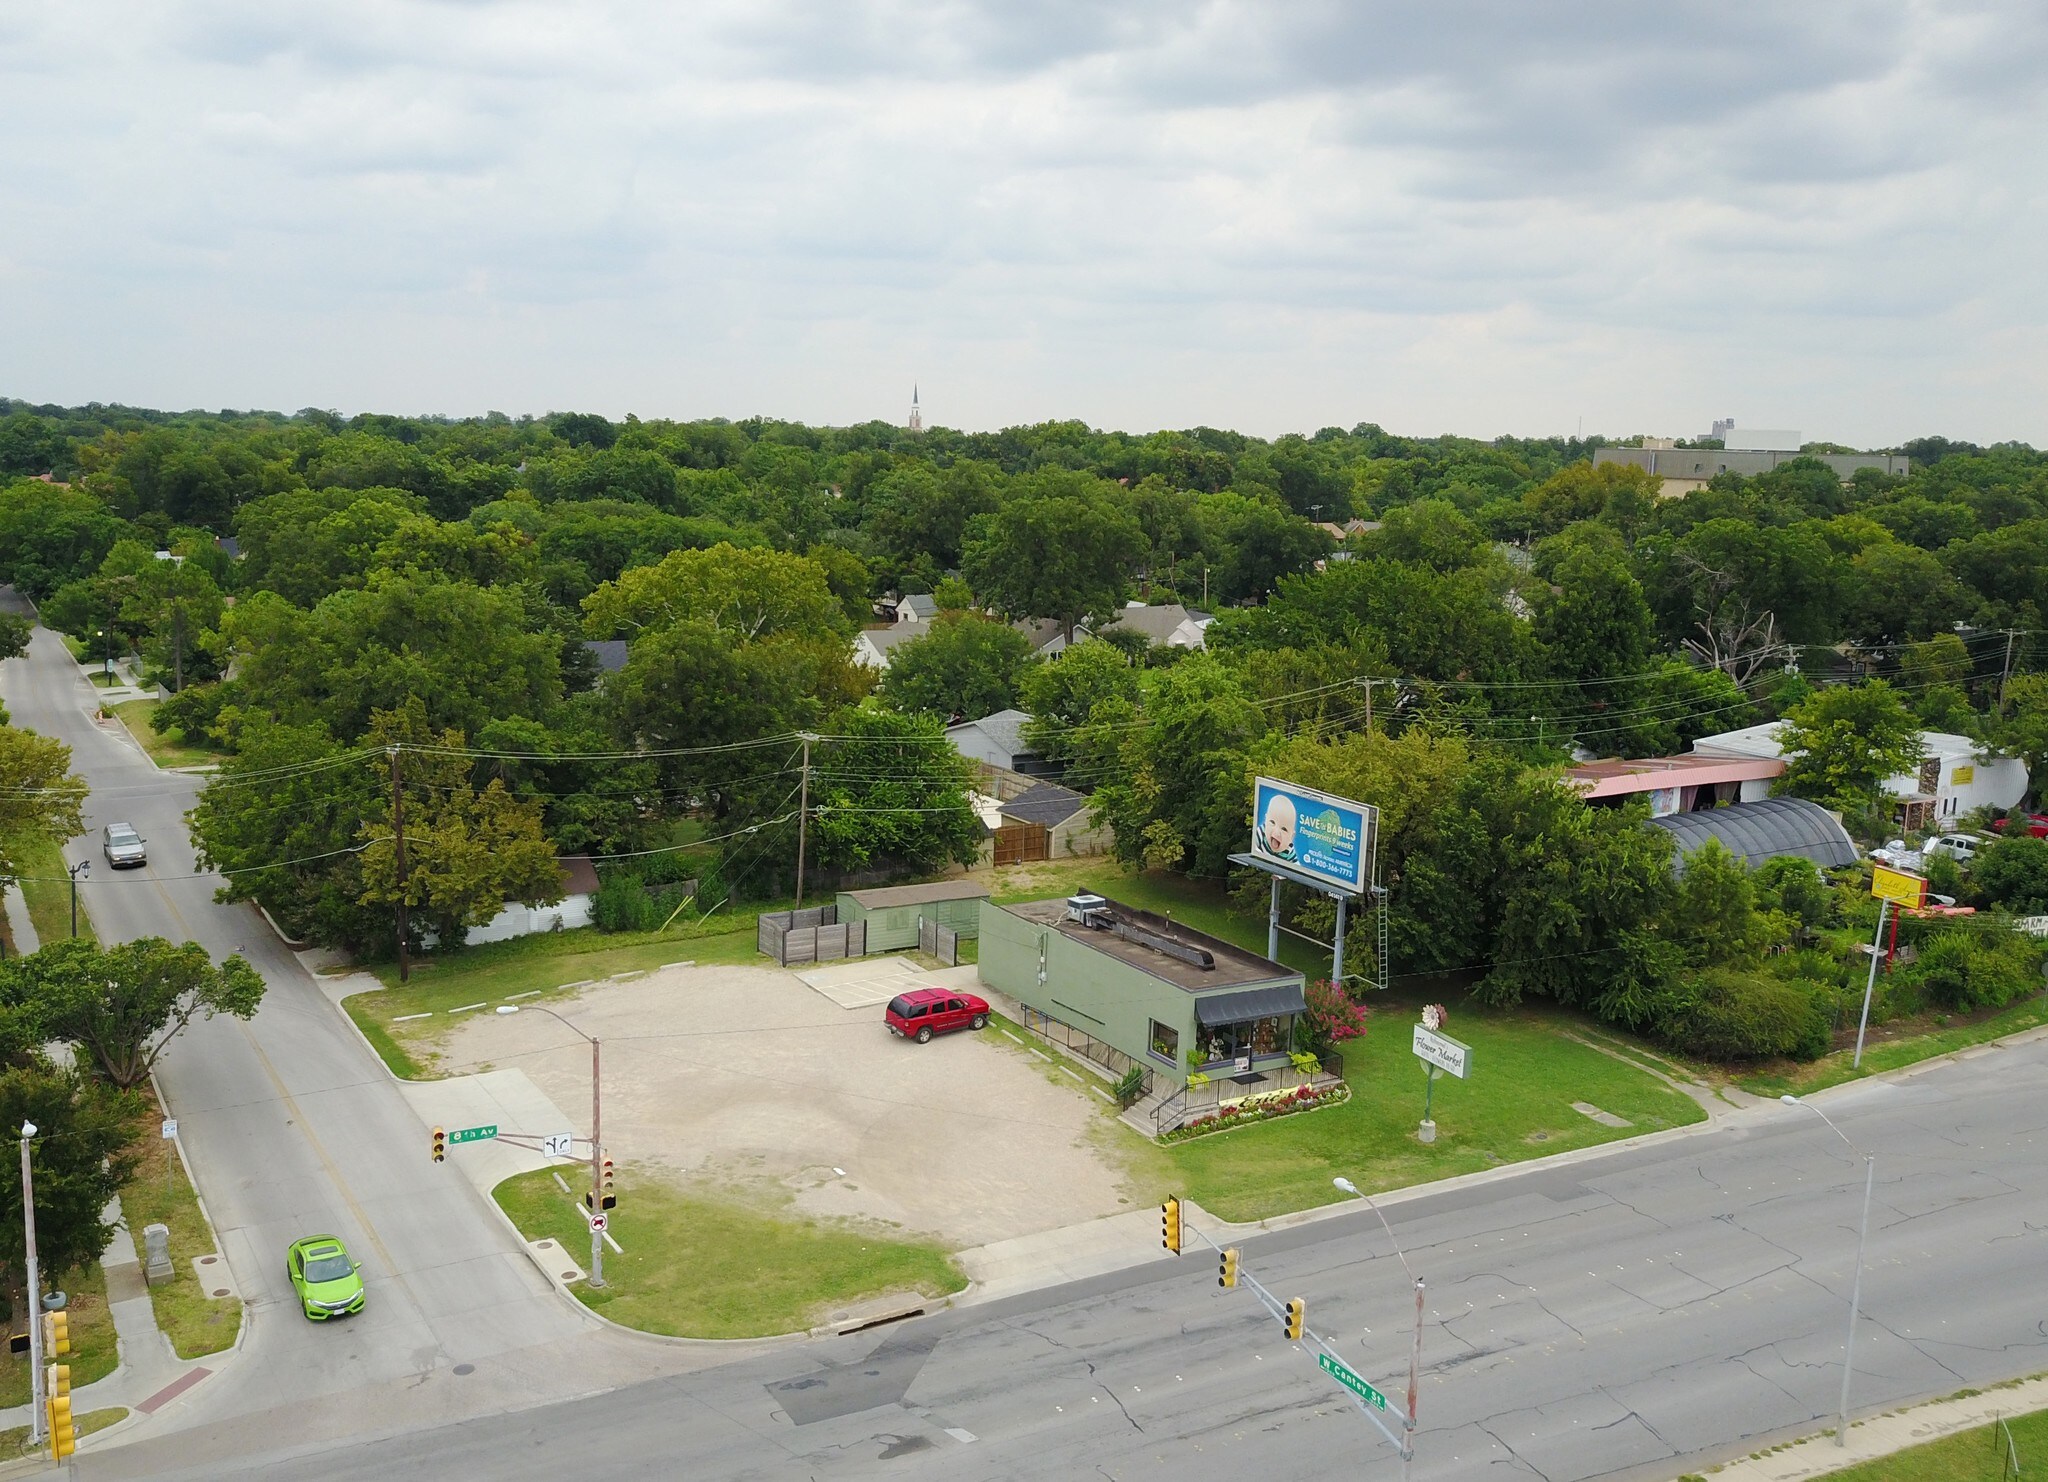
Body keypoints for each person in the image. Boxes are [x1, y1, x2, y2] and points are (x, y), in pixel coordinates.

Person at [1259, 792, 1297, 860]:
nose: (1277, 832)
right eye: (1272, 822)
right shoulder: (1261, 832)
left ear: (1291, 837)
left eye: (1284, 829)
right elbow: (1254, 845)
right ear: (1266, 820)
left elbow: (1297, 867)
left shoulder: (1289, 850)